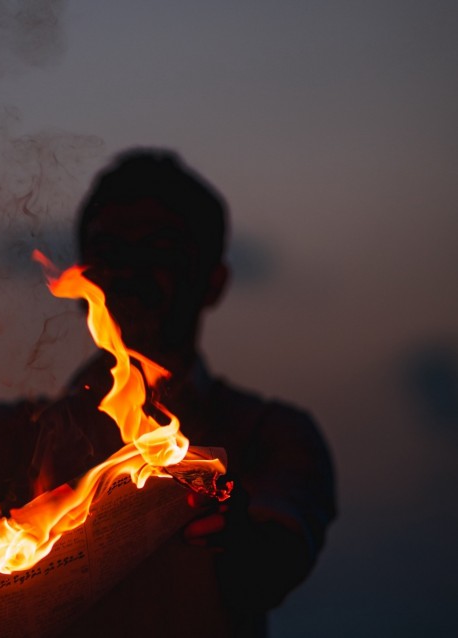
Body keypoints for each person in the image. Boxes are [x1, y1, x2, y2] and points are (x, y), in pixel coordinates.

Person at [18, 148, 337, 637]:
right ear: (83, 278)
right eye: (111, 252)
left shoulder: (270, 435)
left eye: (159, 250)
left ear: (214, 282)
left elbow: (274, 564)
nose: (128, 271)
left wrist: (237, 534)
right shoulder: (19, 439)